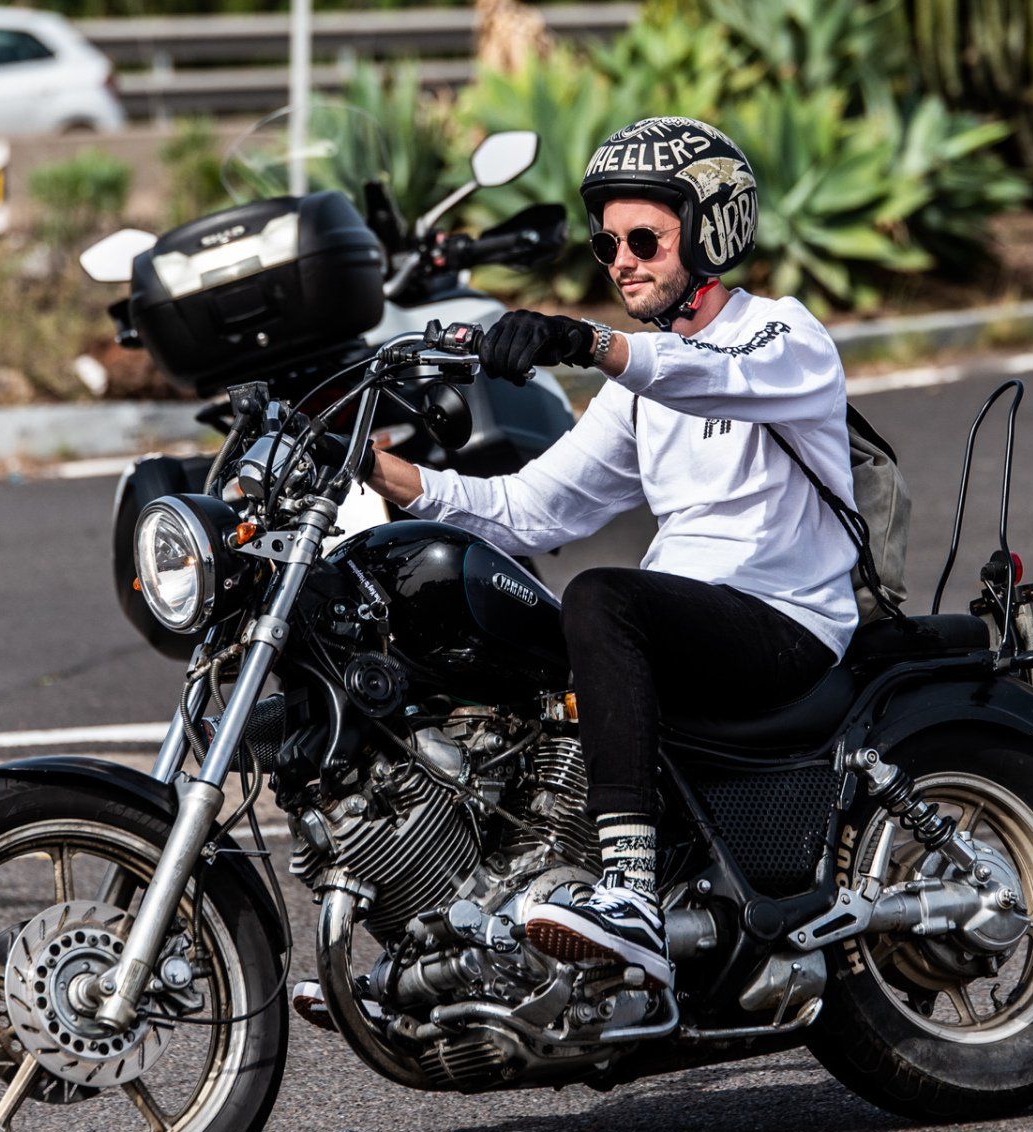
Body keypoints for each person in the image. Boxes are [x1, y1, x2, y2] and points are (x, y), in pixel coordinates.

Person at [362, 117, 858, 988]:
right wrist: (376, 472)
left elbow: (710, 376)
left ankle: (628, 896)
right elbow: (527, 510)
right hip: (690, 623)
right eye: (607, 244)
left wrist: (586, 343)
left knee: (600, 595)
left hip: (789, 622)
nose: (621, 261)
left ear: (711, 232)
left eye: (644, 240)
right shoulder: (638, 393)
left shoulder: (784, 338)